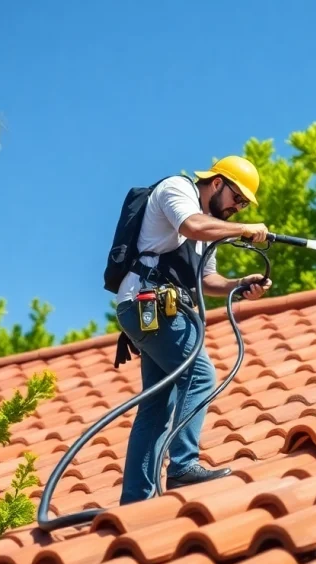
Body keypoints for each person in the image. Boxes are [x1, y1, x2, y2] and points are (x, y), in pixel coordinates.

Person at [112, 155, 272, 504]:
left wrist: (239, 284)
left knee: (157, 402)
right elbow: (191, 226)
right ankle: (184, 466)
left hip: (160, 310)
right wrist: (244, 230)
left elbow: (206, 279)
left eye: (244, 205)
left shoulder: (208, 228)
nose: (239, 209)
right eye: (237, 199)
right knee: (200, 375)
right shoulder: (177, 190)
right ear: (217, 183)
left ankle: (136, 501)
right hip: (148, 305)